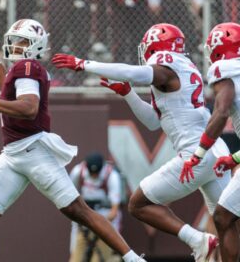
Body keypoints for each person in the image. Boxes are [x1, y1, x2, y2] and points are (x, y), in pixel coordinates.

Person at [0, 19, 146, 262]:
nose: (15, 45)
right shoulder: (23, 69)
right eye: (15, 40)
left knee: (79, 211)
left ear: (35, 46)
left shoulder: (28, 67)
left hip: (33, 151)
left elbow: (28, 108)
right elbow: (8, 94)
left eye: (22, 41)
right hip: (11, 155)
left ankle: (133, 259)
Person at [52, 23, 231, 262]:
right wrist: (128, 93)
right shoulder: (183, 67)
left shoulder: (166, 62)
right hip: (216, 151)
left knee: (138, 204)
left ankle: (197, 240)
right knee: (227, 225)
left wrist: (85, 64)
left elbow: (136, 73)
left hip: (195, 154)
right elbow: (153, 122)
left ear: (156, 46)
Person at [180, 22, 240, 262]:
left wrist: (199, 153)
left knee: (223, 216)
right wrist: (234, 158)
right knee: (223, 216)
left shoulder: (223, 68)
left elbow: (222, 112)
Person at [69, 152, 123, 262]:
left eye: (97, 173)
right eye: (91, 173)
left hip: (105, 218)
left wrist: (98, 225)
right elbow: (69, 197)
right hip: (83, 219)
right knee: (75, 255)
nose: (94, 176)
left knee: (101, 257)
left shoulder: (112, 175)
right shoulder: (78, 172)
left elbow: (114, 211)